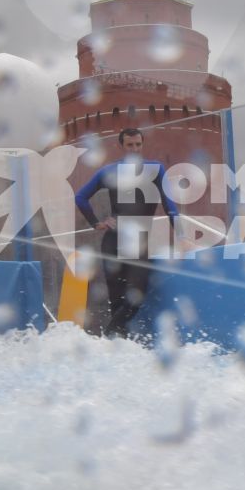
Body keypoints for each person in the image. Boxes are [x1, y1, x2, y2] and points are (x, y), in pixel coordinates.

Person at [73, 126, 179, 337]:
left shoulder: (155, 169)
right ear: (121, 146)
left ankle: (107, 340)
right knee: (118, 301)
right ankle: (117, 349)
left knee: (134, 299)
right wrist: (96, 223)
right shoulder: (108, 171)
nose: (135, 148)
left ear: (142, 144)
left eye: (138, 144)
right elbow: (80, 198)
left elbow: (171, 207)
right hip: (112, 241)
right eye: (130, 145)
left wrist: (182, 236)